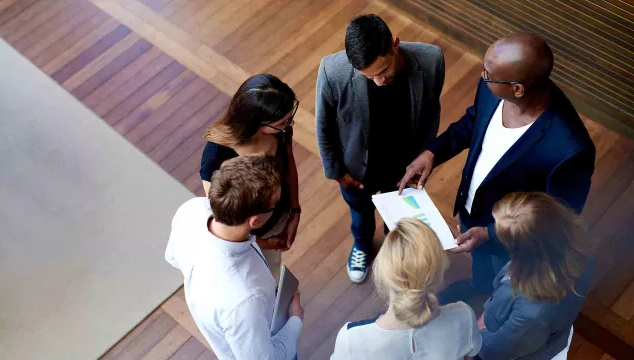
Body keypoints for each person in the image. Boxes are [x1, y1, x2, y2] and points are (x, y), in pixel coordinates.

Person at [398, 33, 595, 295]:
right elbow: (474, 121)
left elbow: (557, 219)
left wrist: (490, 233)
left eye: (487, 73)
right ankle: (480, 287)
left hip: (511, 242)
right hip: (472, 214)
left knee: (505, 284)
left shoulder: (571, 149)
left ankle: (493, 303)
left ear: (518, 89)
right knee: (482, 269)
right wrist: (433, 153)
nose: (482, 76)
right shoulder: (495, 87)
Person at [316, 14, 445, 283]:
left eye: (384, 71)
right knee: (360, 215)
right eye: (369, 76)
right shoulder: (332, 71)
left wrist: (423, 155)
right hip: (356, 169)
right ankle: (362, 245)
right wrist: (336, 171)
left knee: (397, 219)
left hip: (403, 165)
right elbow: (324, 126)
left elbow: (431, 111)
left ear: (395, 45)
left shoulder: (432, 60)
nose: (379, 81)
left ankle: (393, 248)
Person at [165, 155, 304, 360]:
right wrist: (295, 321)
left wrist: (257, 243)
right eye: (275, 204)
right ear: (255, 220)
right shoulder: (244, 299)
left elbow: (172, 257)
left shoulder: (191, 210)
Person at [331, 218, 481, 359]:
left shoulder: (352, 340)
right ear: (439, 274)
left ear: (382, 273)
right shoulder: (463, 317)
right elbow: (469, 355)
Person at [200, 74, 301, 282]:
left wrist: (294, 211)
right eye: (282, 122)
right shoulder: (216, 154)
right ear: (254, 121)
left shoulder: (280, 132)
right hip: (245, 238)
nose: (289, 124)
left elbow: (289, 165)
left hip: (276, 220)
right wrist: (262, 244)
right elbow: (225, 218)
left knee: (272, 273)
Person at [476, 192, 593, 360]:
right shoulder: (575, 239)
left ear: (525, 252)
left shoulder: (532, 313)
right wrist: (486, 233)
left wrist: (476, 334)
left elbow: (492, 352)